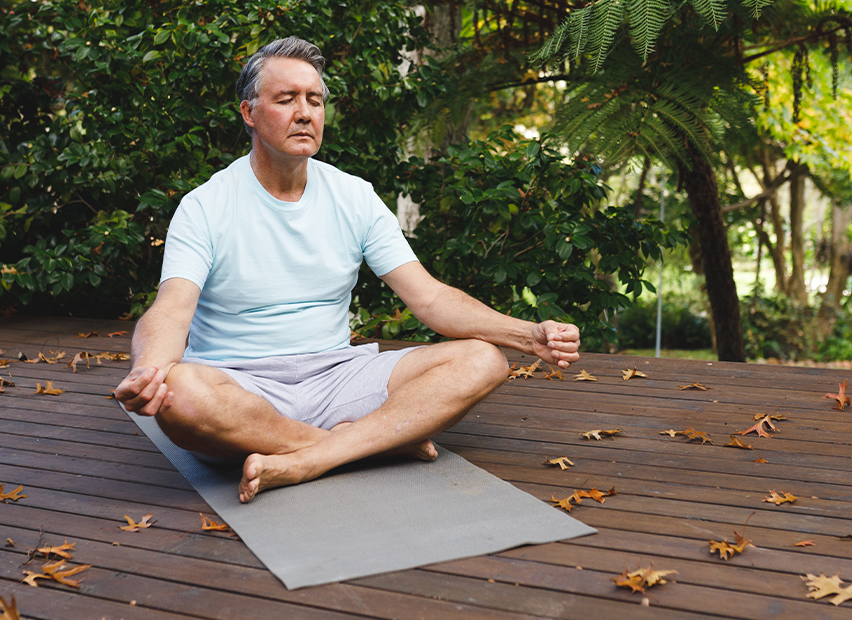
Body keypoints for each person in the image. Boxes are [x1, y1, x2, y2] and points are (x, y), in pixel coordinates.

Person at [115, 36, 580, 503]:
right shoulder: (205, 206)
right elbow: (172, 312)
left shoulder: (353, 196)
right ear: (249, 113)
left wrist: (525, 335)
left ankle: (308, 458)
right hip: (240, 387)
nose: (305, 112)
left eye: (314, 100)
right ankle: (368, 444)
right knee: (181, 393)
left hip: (338, 378)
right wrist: (149, 370)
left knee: (483, 359)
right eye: (286, 99)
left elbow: (430, 298)